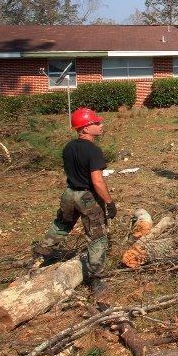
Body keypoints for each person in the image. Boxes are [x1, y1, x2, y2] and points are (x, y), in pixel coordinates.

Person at [31, 107, 117, 297]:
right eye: (96, 123)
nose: (101, 125)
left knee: (61, 225)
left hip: (69, 194)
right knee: (97, 236)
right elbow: (97, 181)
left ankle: (39, 257)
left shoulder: (68, 147)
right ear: (85, 128)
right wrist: (109, 202)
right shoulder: (93, 150)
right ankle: (97, 279)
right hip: (87, 197)